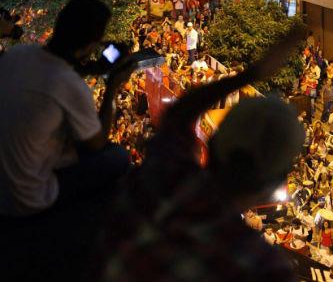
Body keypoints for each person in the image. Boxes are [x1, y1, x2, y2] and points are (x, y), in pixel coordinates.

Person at [91, 26, 305, 281]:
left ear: (214, 145)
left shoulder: (163, 179)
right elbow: (182, 115)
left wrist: (250, 74)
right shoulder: (261, 265)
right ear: (273, 183)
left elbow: (182, 112)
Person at [0, 0, 133, 281]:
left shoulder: (17, 54)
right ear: (90, 43)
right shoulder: (69, 84)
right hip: (29, 198)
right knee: (117, 158)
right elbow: (97, 144)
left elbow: (51, 71)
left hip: (4, 186)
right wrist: (112, 87)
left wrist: (92, 68)